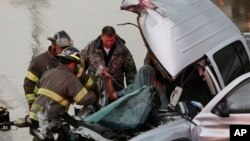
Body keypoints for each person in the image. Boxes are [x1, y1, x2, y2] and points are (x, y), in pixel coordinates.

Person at [29, 47, 97, 141]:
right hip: (49, 121)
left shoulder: (47, 73)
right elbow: (85, 99)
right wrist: (94, 94)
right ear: (73, 64)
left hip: (33, 117)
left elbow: (36, 92)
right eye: (77, 64)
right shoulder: (70, 78)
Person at [23, 30, 73, 108]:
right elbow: (28, 85)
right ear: (54, 45)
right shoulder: (39, 61)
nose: (64, 51)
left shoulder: (69, 61)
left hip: (59, 107)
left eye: (66, 48)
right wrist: (32, 105)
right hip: (41, 104)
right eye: (61, 48)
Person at [81, 26, 137, 91]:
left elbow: (131, 72)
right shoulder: (91, 46)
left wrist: (132, 91)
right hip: (94, 88)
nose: (109, 43)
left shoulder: (123, 49)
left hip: (116, 90)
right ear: (101, 37)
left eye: (112, 40)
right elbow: (82, 66)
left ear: (115, 37)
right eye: (107, 40)